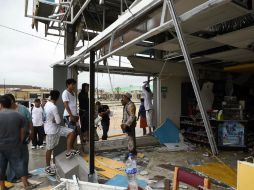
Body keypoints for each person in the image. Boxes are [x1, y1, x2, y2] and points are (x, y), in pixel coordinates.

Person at [0, 95, 35, 189]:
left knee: (1, 166)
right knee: (19, 163)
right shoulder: (19, 115)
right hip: (14, 145)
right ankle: (26, 184)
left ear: (1, 104)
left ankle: (2, 186)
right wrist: (20, 142)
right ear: (11, 103)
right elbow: (22, 131)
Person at [44, 90, 78, 175]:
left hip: (55, 128)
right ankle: (48, 168)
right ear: (58, 97)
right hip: (51, 130)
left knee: (71, 132)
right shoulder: (53, 107)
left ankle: (68, 151)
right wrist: (54, 120)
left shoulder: (47, 104)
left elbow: (53, 120)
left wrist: (52, 120)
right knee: (49, 149)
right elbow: (58, 121)